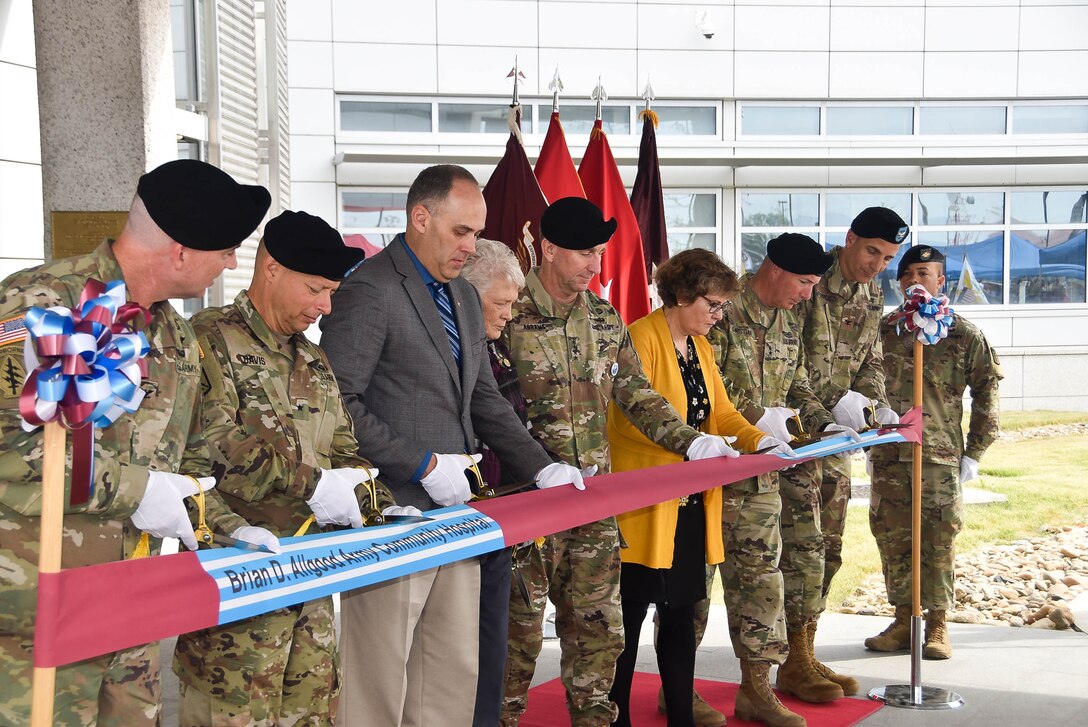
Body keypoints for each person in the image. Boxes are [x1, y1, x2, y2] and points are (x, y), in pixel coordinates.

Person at [0, 159, 272, 726]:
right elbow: (9, 441)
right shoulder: (43, 305)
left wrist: (227, 526)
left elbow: (184, 457)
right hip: (36, 612)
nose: (228, 266)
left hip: (132, 611)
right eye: (224, 252)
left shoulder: (173, 334)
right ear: (180, 252)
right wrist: (135, 489)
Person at [319, 165, 582, 727]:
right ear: (421, 217)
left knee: (448, 675)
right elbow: (336, 404)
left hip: (456, 515)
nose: (473, 245)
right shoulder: (371, 288)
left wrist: (543, 468)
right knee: (380, 684)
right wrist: (421, 463)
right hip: (392, 517)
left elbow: (484, 399)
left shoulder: (463, 295)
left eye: (477, 232)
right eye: (462, 232)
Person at [500, 197, 753, 727]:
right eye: (584, 253)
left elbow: (636, 394)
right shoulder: (508, 311)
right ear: (547, 249)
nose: (595, 265)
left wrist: (692, 442)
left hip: (592, 502)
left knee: (599, 634)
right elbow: (486, 404)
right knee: (516, 641)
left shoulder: (602, 315)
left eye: (599, 253)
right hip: (525, 506)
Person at [172, 210, 411, 724]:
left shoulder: (313, 358)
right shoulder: (207, 340)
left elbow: (345, 448)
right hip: (239, 587)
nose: (325, 307)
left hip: (311, 583)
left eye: (331, 293)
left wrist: (380, 506)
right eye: (316, 290)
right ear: (272, 268)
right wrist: (315, 484)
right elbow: (209, 448)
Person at [670, 234, 851, 727]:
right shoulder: (719, 310)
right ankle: (677, 688)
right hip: (708, 475)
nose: (809, 294)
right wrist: (756, 421)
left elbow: (795, 384)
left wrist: (823, 421)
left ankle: (756, 689)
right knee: (693, 588)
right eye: (804, 282)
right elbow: (702, 389)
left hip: (761, 481)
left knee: (761, 584)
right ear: (774, 269)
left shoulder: (786, 321)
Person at [607, 249, 792, 727]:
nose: (719, 314)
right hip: (645, 504)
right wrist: (694, 445)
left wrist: (763, 438)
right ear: (682, 295)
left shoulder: (700, 346)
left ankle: (681, 714)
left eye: (724, 306)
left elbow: (723, 412)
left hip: (690, 503)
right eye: (713, 304)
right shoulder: (640, 338)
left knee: (682, 612)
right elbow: (630, 419)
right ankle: (616, 717)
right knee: (627, 619)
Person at [774, 208, 906, 703]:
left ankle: (803, 651)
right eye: (872, 251)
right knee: (799, 551)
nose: (877, 265)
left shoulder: (870, 292)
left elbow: (870, 358)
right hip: (794, 436)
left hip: (839, 443)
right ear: (849, 239)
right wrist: (835, 404)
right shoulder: (808, 279)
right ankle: (788, 658)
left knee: (828, 551)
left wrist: (872, 404)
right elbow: (790, 362)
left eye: (887, 257)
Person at [866, 245, 1002, 659]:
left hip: (939, 457)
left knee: (938, 540)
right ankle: (904, 619)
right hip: (889, 453)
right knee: (893, 539)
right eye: (906, 274)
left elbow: (988, 391)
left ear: (941, 281)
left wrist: (975, 451)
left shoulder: (961, 333)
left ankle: (938, 624)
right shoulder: (884, 330)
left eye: (923, 273)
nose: (913, 281)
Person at [460, 238, 547, 727]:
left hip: (505, 522)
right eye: (502, 304)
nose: (510, 316)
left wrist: (548, 468)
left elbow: (512, 422)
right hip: (465, 523)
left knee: (504, 647)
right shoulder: (462, 355)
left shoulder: (495, 352)